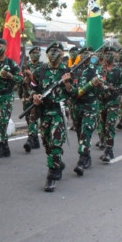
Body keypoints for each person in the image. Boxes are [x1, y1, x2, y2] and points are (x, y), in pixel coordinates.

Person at [29, 42, 74, 191]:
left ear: (62, 54)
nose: (54, 53)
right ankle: (58, 163)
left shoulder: (67, 71)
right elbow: (31, 88)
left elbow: (74, 93)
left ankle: (52, 175)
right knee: (47, 144)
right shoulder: (40, 71)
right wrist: (34, 96)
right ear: (47, 53)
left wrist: (67, 84)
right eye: (51, 51)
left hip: (59, 113)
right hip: (44, 112)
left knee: (55, 143)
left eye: (57, 51)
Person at [0, 37, 23, 163]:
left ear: (5, 48)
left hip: (6, 96)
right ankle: (5, 147)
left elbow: (21, 79)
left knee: (2, 123)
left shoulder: (11, 64)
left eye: (0, 46)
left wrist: (11, 76)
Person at [69, 46, 102, 175]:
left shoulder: (96, 70)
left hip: (90, 105)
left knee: (86, 131)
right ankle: (87, 155)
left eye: (88, 54)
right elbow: (70, 88)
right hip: (76, 106)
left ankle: (82, 160)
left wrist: (98, 84)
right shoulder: (74, 70)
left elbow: (102, 88)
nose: (85, 56)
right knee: (79, 132)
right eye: (83, 53)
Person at [97, 44, 122, 163]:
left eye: (111, 54)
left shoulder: (118, 70)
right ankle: (103, 143)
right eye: (106, 54)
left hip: (113, 102)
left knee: (110, 126)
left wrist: (113, 88)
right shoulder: (98, 69)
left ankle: (109, 150)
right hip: (100, 101)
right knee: (102, 126)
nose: (108, 56)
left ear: (115, 56)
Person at [21, 46, 42, 152]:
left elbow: (40, 81)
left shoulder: (43, 67)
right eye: (33, 53)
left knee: (33, 118)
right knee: (28, 119)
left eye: (37, 52)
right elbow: (19, 82)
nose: (35, 54)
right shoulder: (25, 66)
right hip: (26, 96)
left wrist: (31, 76)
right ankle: (35, 140)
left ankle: (30, 139)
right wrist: (24, 80)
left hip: (36, 96)